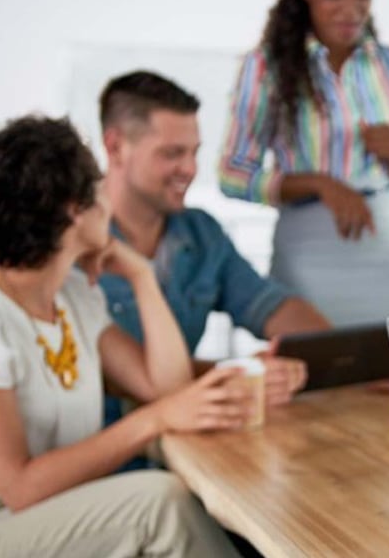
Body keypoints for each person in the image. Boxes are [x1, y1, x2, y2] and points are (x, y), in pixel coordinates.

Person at [0, 116, 247, 557]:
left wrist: (142, 278)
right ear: (75, 208)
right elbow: (19, 488)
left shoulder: (74, 297)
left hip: (61, 512)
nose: (108, 197)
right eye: (98, 187)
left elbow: (166, 387)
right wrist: (154, 419)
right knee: (159, 504)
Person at [99, 70, 330, 414]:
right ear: (116, 147)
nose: (190, 169)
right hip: (109, 454)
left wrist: (340, 352)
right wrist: (242, 375)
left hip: (187, 442)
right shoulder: (72, 241)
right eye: (172, 153)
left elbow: (269, 304)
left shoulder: (201, 234)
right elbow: (115, 373)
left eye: (194, 153)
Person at [218, 0, 389, 327]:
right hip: (306, 251)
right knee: (310, 371)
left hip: (381, 250)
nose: (351, 9)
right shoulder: (265, 67)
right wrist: (321, 184)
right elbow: (232, 174)